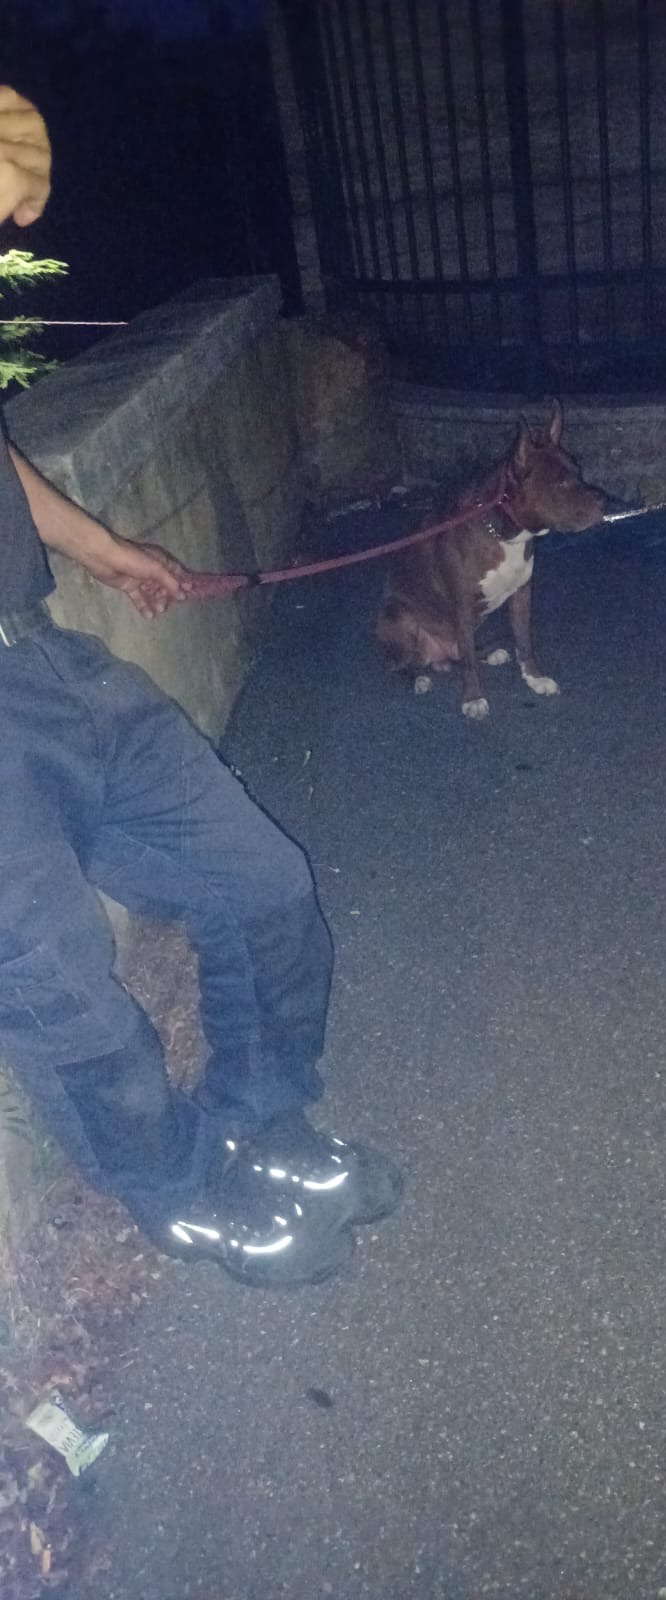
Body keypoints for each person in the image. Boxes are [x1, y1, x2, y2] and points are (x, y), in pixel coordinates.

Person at [0, 87, 401, 1288]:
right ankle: (180, 1191)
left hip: (43, 663)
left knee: (259, 882)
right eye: (8, 215)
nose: (15, 246)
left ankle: (260, 1113)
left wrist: (108, 551)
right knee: (64, 992)